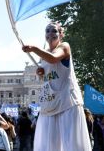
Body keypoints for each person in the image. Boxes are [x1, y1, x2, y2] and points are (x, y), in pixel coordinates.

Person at [22, 22, 92, 151]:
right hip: (50, 104)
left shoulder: (64, 46)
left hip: (67, 102)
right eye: (47, 31)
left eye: (53, 31)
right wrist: (40, 73)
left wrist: (34, 49)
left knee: (72, 145)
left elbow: (54, 59)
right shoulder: (44, 55)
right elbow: (50, 76)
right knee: (49, 146)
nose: (50, 33)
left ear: (61, 34)